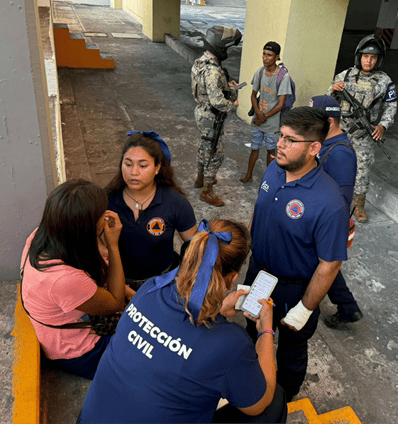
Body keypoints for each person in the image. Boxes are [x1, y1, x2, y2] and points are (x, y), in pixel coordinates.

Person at [79, 219, 287, 424]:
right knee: (274, 401)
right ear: (232, 279)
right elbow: (259, 404)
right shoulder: (230, 342)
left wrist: (217, 309)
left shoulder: (151, 288)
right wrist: (266, 330)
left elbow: (176, 329)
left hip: (90, 418)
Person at [244, 107, 349, 401]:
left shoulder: (329, 202)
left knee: (290, 347)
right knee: (249, 334)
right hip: (259, 275)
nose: (280, 144)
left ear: (314, 148)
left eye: (291, 140)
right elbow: (259, 211)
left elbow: (330, 265)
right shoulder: (276, 168)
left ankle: (281, 399)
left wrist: (304, 308)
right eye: (281, 135)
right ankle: (247, 386)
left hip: (294, 289)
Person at [20, 179, 127, 379]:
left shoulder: (40, 238)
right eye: (100, 216)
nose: (105, 217)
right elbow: (115, 302)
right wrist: (113, 245)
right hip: (80, 352)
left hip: (69, 319)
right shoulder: (64, 279)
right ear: (84, 229)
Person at [104, 131, 197, 292]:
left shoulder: (176, 203)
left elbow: (195, 247)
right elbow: (93, 243)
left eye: (143, 166)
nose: (134, 172)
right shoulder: (107, 200)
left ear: (157, 168)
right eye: (128, 164)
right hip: (118, 285)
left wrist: (183, 276)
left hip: (162, 284)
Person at [328, 34, 397, 223]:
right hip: (341, 132)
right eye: (366, 56)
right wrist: (334, 90)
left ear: (379, 60)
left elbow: (391, 106)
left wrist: (382, 125)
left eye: (373, 57)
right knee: (334, 165)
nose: (369, 60)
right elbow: (328, 101)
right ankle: (331, 200)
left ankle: (358, 206)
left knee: (363, 170)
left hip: (364, 135)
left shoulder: (384, 81)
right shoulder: (345, 75)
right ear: (359, 57)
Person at [310, 96, 364, 329]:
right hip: (320, 219)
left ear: (329, 122)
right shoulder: (326, 144)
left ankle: (347, 307)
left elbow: (340, 200)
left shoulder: (341, 154)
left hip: (327, 223)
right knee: (322, 262)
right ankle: (348, 307)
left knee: (324, 264)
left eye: (314, 119)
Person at [191, 25, 242, 206]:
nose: (228, 50)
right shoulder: (213, 71)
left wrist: (228, 86)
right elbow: (217, 101)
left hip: (202, 112)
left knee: (205, 145)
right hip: (211, 116)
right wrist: (233, 104)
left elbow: (207, 88)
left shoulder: (201, 62)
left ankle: (200, 178)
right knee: (216, 151)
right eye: (227, 47)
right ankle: (207, 190)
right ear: (219, 47)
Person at [240, 41, 292, 184]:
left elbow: (281, 104)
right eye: (264, 54)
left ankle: (269, 181)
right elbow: (253, 95)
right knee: (254, 148)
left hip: (272, 123)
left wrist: (265, 116)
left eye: (269, 55)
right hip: (258, 120)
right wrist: (258, 112)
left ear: (277, 57)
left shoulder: (283, 77)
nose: (265, 58)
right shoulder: (260, 72)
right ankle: (249, 175)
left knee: (271, 152)